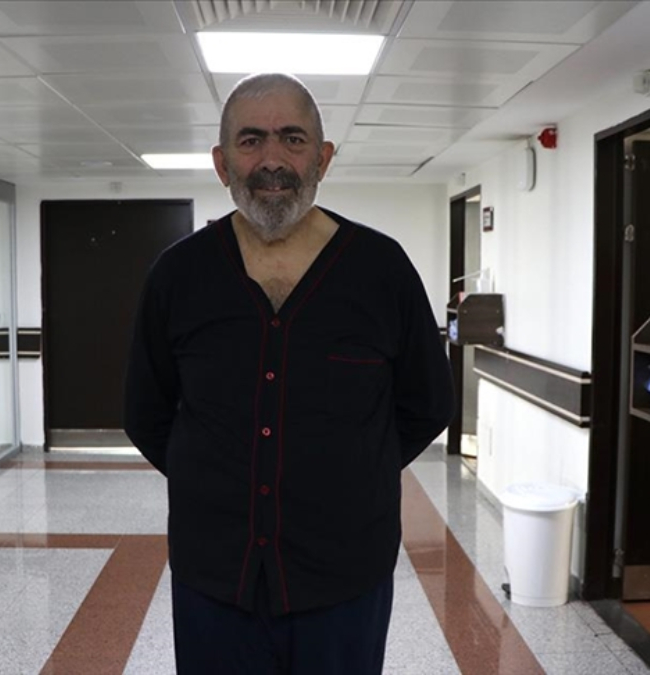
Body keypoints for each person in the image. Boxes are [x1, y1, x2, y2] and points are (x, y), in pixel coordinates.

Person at [124, 73, 454, 674]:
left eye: (293, 139)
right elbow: (146, 412)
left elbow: (427, 404)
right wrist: (215, 476)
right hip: (214, 575)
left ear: (322, 158)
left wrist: (352, 475)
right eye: (251, 140)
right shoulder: (179, 276)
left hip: (345, 576)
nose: (272, 160)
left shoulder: (381, 270)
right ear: (222, 163)